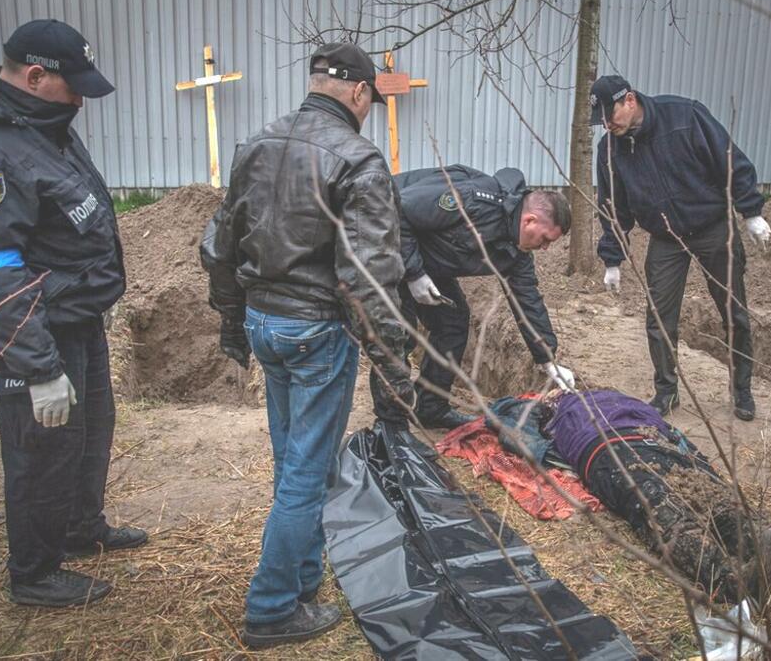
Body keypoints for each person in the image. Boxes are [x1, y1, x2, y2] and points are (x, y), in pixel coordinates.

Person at [0, 20, 147, 608]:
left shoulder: (42, 125)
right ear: (35, 74)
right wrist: (37, 366)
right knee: (43, 448)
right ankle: (36, 572)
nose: (80, 98)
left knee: (89, 432)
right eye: (72, 85)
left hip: (78, 316)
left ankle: (79, 527)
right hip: (38, 327)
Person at [201, 43, 413, 648]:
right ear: (358, 92)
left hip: (266, 323)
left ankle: (301, 580)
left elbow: (218, 245)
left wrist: (232, 321)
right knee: (305, 472)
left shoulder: (257, 143)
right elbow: (369, 274)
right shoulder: (359, 158)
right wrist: (394, 363)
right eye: (372, 98)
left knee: (294, 462)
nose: (369, 108)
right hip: (317, 332)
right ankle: (271, 609)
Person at [539, 388, 771, 604]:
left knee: (707, 506)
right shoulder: (567, 413)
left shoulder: (569, 408)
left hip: (642, 447)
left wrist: (701, 465)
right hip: (622, 451)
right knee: (672, 509)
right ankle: (739, 582)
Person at [591, 75, 771, 421]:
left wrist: (751, 212)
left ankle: (741, 390)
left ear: (629, 100)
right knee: (659, 318)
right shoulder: (610, 149)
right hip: (665, 238)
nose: (605, 125)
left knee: (733, 312)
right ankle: (666, 391)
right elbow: (613, 206)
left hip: (713, 227)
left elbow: (730, 160)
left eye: (609, 115)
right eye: (599, 120)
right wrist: (612, 258)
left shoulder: (684, 117)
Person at [371, 165, 575, 430]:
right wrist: (414, 273)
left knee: (453, 322)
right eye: (546, 239)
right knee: (400, 334)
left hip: (427, 259)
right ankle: (390, 426)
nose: (546, 248)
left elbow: (527, 301)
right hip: (388, 241)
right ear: (530, 221)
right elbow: (397, 211)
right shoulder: (472, 200)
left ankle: (431, 409)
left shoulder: (518, 253)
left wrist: (547, 359)